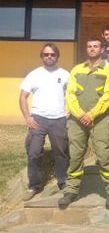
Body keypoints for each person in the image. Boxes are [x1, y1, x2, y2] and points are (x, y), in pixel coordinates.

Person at [59, 38, 109, 209]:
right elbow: (70, 94)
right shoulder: (77, 69)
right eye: (89, 46)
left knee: (103, 154)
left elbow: (108, 96)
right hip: (77, 120)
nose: (92, 49)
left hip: (100, 119)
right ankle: (71, 190)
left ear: (102, 49)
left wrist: (91, 114)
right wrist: (79, 114)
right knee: (76, 155)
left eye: (96, 46)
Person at [19, 43, 69, 201]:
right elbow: (22, 97)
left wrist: (70, 111)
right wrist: (27, 117)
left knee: (61, 152)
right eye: (46, 54)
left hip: (59, 119)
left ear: (57, 56)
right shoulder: (34, 75)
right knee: (34, 152)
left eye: (52, 54)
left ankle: (63, 181)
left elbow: (74, 94)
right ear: (42, 56)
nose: (49, 57)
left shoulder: (65, 74)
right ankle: (34, 185)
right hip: (38, 119)